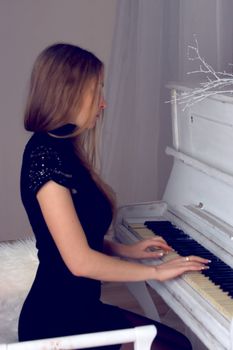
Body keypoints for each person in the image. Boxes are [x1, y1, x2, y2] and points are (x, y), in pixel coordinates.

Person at [18, 43, 209, 350]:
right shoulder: (45, 156)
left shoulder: (62, 148)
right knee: (174, 347)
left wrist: (124, 250)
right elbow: (79, 262)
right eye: (97, 91)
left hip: (80, 310)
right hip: (56, 323)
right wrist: (156, 272)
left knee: (175, 344)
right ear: (70, 91)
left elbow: (73, 236)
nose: (103, 103)